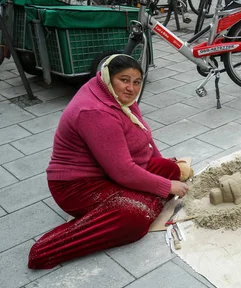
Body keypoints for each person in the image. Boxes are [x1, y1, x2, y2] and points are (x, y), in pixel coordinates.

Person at [28, 54, 189, 269]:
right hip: (78, 187)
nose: (131, 88)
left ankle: (137, 198)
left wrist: (165, 170)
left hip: (108, 171)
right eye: (124, 80)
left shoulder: (117, 97)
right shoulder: (94, 111)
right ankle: (47, 248)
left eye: (137, 82)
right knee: (136, 218)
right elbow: (123, 172)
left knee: (169, 168)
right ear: (108, 77)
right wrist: (167, 186)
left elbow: (145, 137)